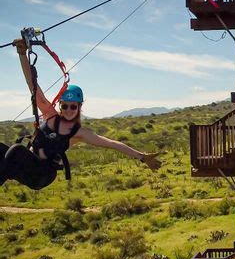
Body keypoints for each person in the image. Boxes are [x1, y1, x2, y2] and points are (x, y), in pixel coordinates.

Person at [0, 39, 161, 190]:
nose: (69, 110)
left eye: (73, 107)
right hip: (28, 165)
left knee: (16, 150)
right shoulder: (50, 115)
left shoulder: (79, 133)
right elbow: (33, 86)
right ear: (60, 105)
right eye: (65, 106)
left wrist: (142, 157)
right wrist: (22, 54)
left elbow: (112, 144)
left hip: (42, 175)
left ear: (79, 107)